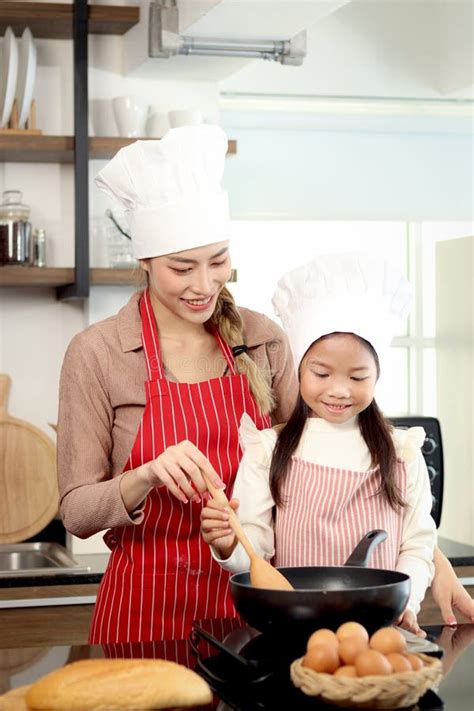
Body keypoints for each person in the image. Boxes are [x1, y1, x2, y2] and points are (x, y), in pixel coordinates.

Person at [56, 125, 296, 646]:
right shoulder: (97, 353)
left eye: (218, 261)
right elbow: (75, 511)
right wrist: (144, 475)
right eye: (182, 268)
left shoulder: (263, 341)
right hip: (142, 612)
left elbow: (320, 464)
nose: (205, 284)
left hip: (256, 607)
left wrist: (423, 555)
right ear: (143, 261)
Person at [201, 252, 438, 635]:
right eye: (321, 373)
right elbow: (254, 551)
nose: (339, 390)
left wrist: (404, 602)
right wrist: (229, 544)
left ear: (378, 376)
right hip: (291, 630)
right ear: (300, 369)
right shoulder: (268, 450)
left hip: (377, 630)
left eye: (358, 376)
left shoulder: (401, 453)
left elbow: (418, 544)